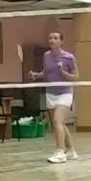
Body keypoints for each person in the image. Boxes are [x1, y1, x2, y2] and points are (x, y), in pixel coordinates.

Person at [30, 31, 78, 164]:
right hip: (51, 92)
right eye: (50, 38)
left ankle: (60, 151)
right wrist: (36, 75)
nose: (52, 40)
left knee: (57, 121)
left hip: (65, 92)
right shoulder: (46, 56)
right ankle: (71, 151)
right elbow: (46, 72)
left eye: (55, 38)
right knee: (59, 123)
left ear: (61, 41)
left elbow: (76, 77)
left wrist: (64, 73)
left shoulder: (69, 57)